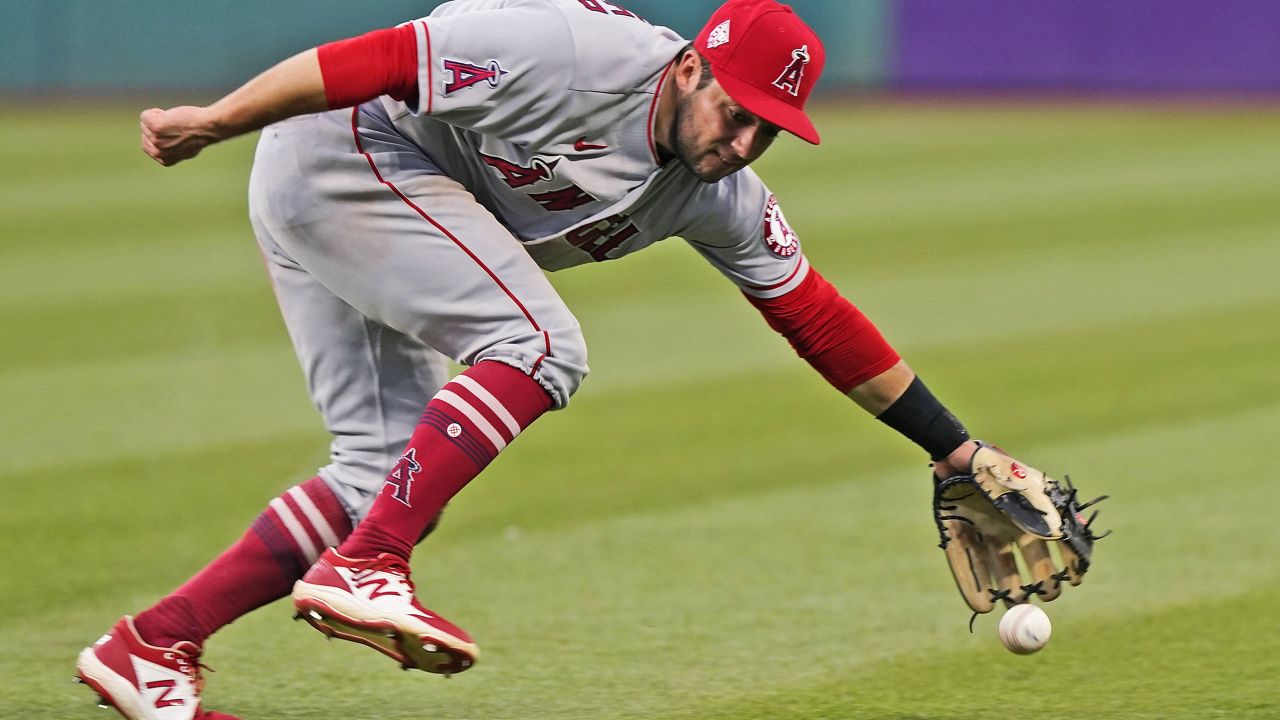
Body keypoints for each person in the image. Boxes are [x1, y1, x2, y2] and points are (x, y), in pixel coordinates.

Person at [75, 1, 984, 718]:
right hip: (345, 145)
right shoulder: (572, 54)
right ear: (692, 66)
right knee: (537, 345)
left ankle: (154, 646)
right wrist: (214, 120)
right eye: (737, 113)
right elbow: (380, 58)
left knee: (384, 469)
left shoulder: (719, 191)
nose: (743, 143)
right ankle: (367, 565)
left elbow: (813, 315)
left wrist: (958, 450)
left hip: (373, 195)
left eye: (770, 130)